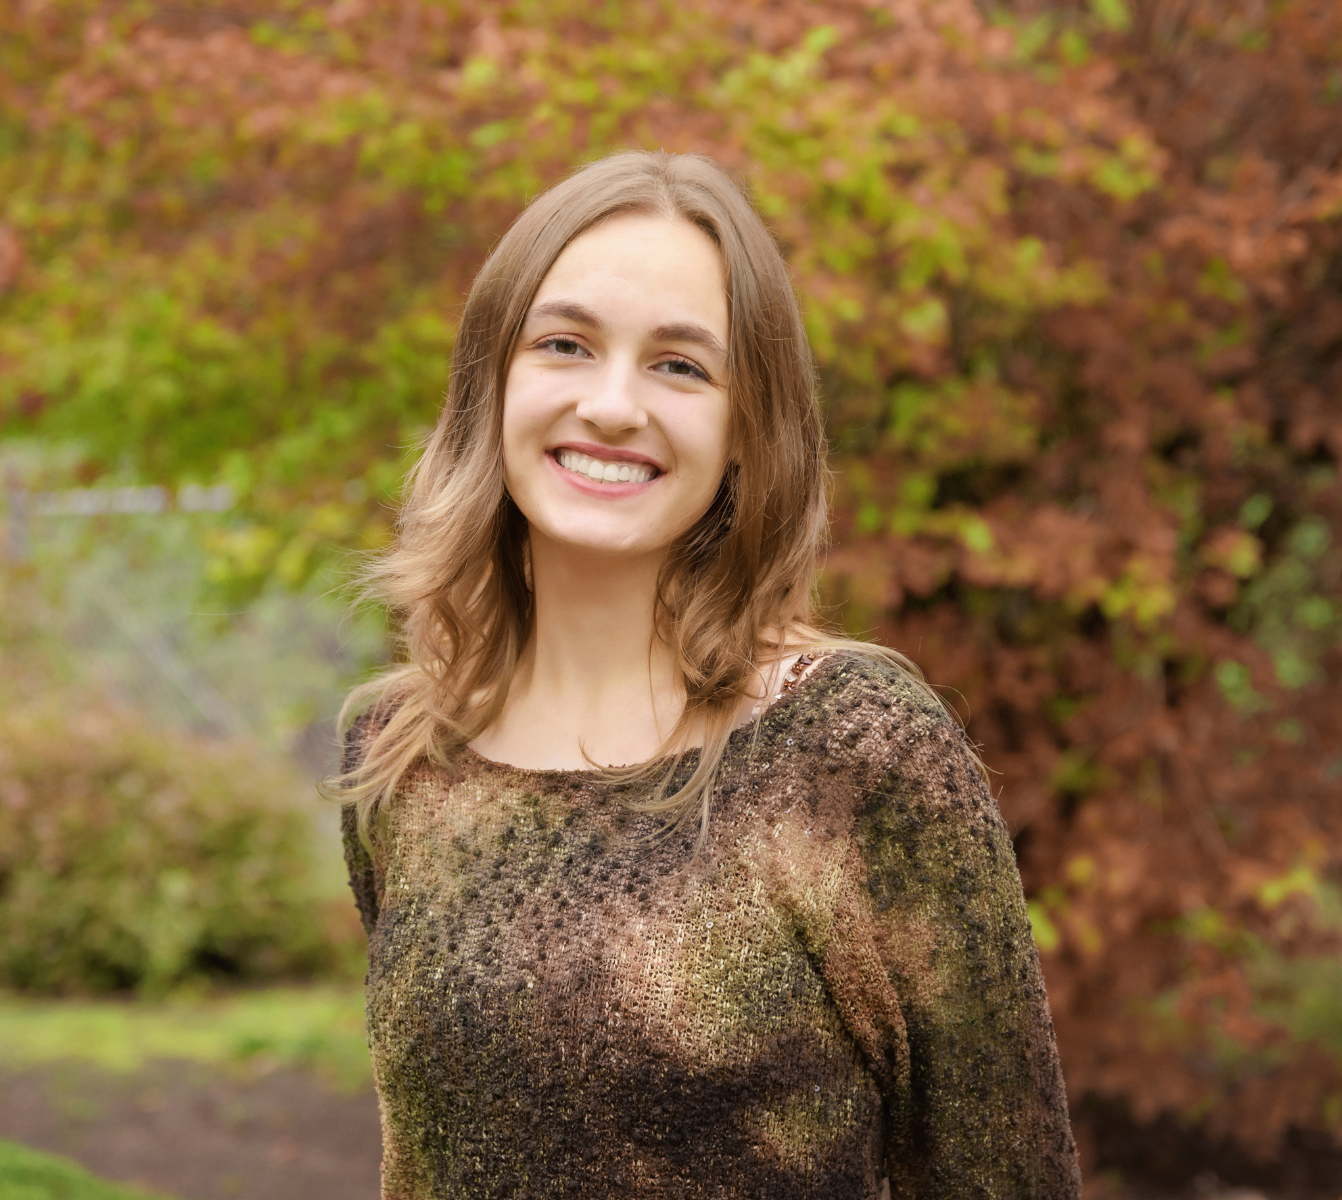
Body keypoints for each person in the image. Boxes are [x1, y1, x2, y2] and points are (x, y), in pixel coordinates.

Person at [333, 150, 1080, 1198]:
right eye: (564, 344)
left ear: (744, 430)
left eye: (679, 365)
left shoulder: (852, 748)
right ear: (488, 383)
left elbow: (1001, 1178)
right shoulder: (406, 757)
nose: (611, 405)